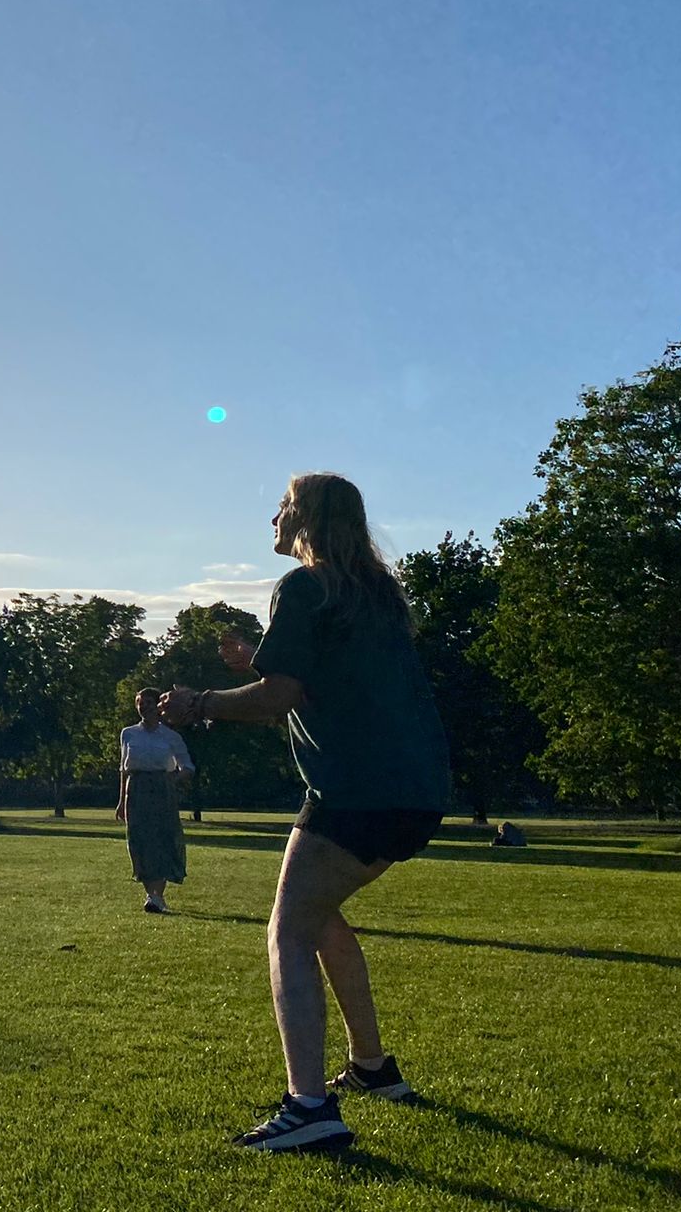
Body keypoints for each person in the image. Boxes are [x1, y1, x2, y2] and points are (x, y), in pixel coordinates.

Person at [160, 474, 447, 1154]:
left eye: (283, 507)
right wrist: (251, 671)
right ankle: (373, 1069)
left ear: (307, 517)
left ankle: (309, 1107)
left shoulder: (303, 586)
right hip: (418, 792)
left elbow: (276, 697)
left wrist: (200, 701)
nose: (273, 518)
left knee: (288, 931)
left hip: (353, 792)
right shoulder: (374, 592)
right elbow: (309, 686)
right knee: (320, 917)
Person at [115, 686, 195, 914]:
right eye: (140, 703)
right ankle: (151, 894)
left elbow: (187, 767)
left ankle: (157, 896)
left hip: (162, 789)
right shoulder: (128, 733)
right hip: (136, 789)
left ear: (158, 706)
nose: (144, 707)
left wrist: (171, 782)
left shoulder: (171, 737)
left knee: (162, 838)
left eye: (148, 702)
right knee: (139, 840)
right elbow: (124, 769)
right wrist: (121, 802)